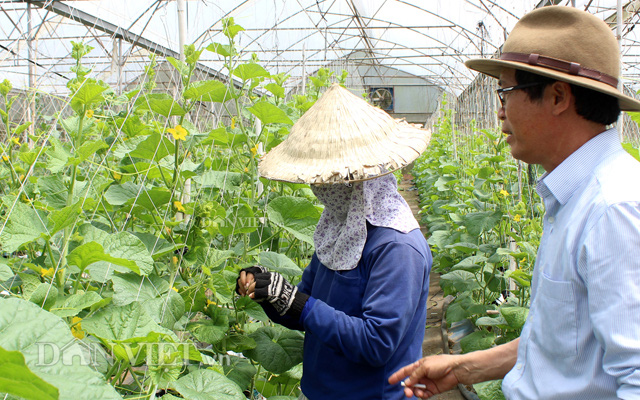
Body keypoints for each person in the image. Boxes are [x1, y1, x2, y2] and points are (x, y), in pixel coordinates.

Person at [389, 5, 640, 399]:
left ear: (558, 96)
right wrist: (464, 366)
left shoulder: (615, 209)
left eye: (505, 92)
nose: (499, 111)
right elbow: (563, 339)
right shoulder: (576, 197)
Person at [236, 83, 433, 399]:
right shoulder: (339, 230)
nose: (318, 186)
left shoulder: (397, 247)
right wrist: (270, 293)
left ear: (357, 179)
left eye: (327, 177)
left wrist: (299, 303)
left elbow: (376, 343)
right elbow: (305, 309)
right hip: (320, 390)